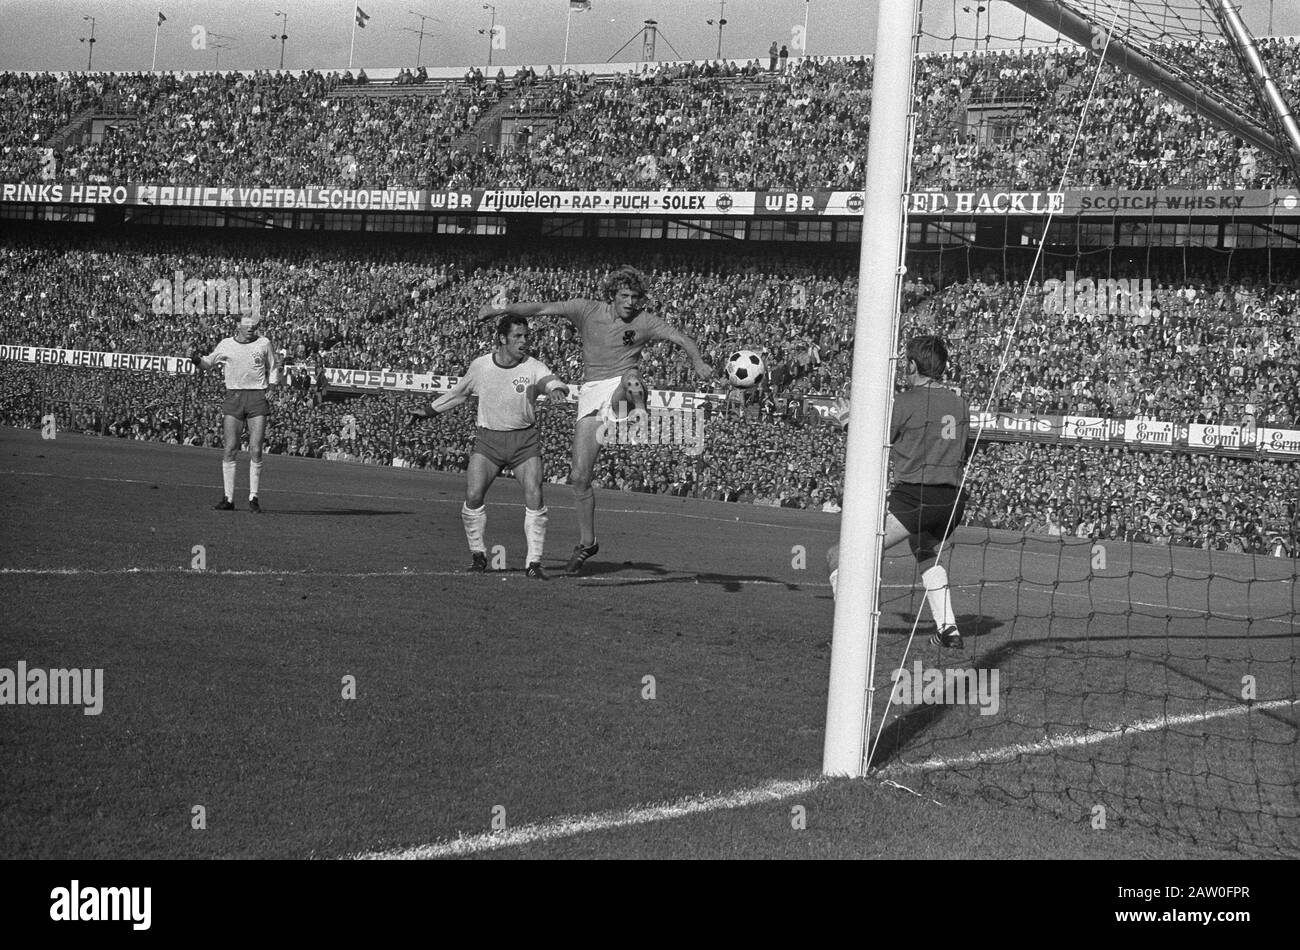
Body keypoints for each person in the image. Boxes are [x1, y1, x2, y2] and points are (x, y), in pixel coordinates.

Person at [477, 266, 713, 573]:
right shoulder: (585, 309)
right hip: (590, 392)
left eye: (636, 297)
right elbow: (541, 308)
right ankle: (588, 542)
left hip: (621, 387)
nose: (630, 302)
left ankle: (638, 410)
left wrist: (697, 360)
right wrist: (501, 310)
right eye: (624, 295)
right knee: (579, 477)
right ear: (612, 295)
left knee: (631, 377)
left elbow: (680, 338)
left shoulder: (646, 322)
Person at [826, 335, 970, 648]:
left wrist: (848, 421)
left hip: (917, 497)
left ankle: (849, 638)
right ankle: (949, 631)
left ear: (912, 365)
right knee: (924, 551)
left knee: (840, 556)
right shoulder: (960, 403)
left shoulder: (905, 402)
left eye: (907, 360)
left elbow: (871, 446)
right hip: (953, 500)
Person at [407, 314, 570, 579]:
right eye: (517, 336)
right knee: (473, 495)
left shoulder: (533, 366)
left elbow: (548, 380)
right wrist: (428, 411)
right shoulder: (481, 366)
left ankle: (534, 563)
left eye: (526, 336)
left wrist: (556, 390)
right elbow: (459, 393)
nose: (524, 341)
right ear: (502, 338)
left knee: (534, 493)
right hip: (488, 441)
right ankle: (479, 556)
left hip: (524, 442)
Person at [189, 315, 280, 513]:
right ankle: (228, 498)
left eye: (253, 325)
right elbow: (208, 363)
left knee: (255, 449)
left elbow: (273, 366)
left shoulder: (264, 343)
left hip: (256, 397)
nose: (250, 328)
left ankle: (253, 497)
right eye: (246, 325)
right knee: (230, 448)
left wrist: (272, 385)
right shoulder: (226, 344)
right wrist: (195, 358)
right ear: (238, 325)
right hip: (234, 396)